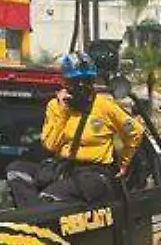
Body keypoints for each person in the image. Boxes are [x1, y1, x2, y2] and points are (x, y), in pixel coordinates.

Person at [9, 53, 145, 206]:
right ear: (65, 82)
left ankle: (39, 213)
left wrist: (124, 162)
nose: (81, 87)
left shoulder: (104, 106)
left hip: (94, 173)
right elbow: (50, 145)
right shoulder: (56, 107)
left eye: (87, 81)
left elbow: (135, 132)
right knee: (16, 170)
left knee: (50, 196)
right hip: (63, 168)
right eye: (75, 82)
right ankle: (31, 217)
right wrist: (63, 111)